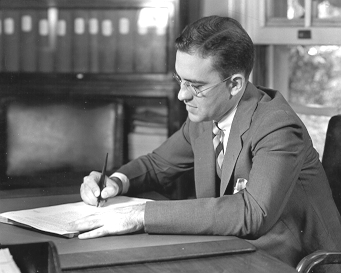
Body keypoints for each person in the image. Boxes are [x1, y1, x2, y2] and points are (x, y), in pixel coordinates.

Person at [70, 16, 341, 270]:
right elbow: (156, 165)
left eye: (195, 85)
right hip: (236, 251)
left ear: (235, 84)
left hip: (298, 262)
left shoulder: (276, 125)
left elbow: (252, 213)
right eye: (180, 79)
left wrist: (140, 215)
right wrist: (115, 182)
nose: (181, 95)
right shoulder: (204, 117)